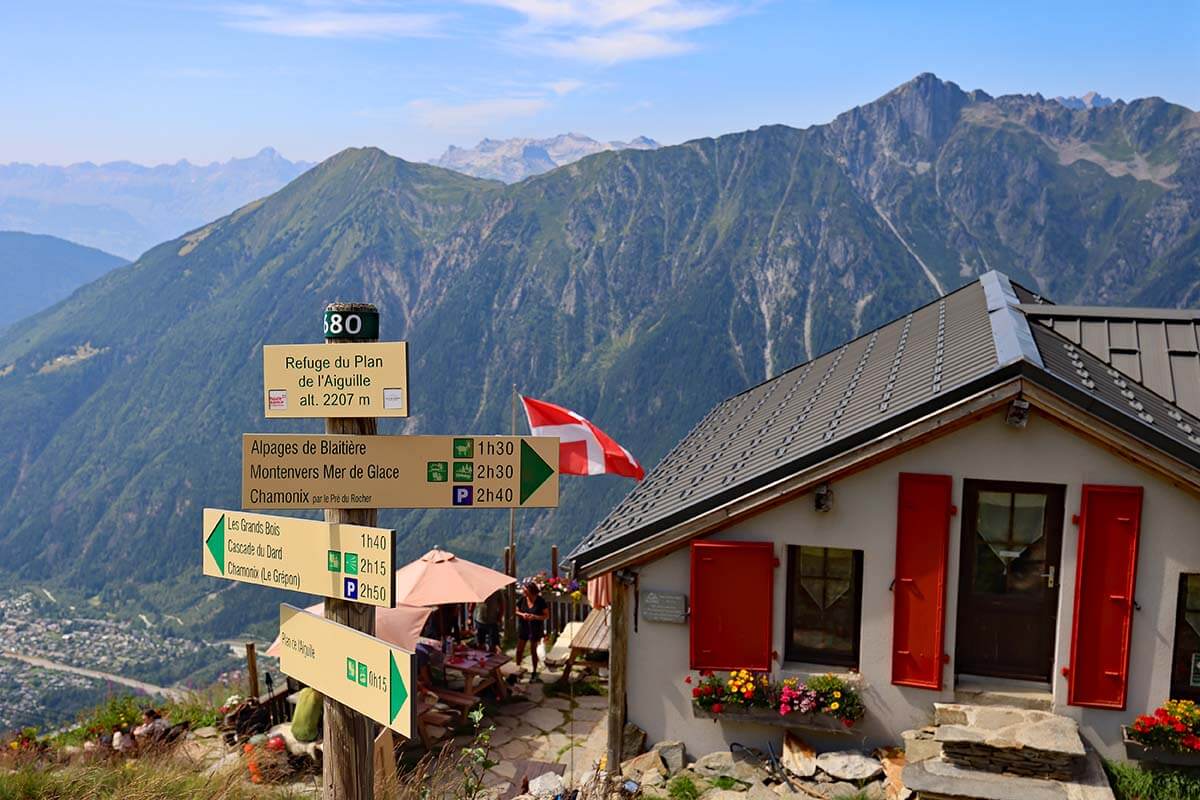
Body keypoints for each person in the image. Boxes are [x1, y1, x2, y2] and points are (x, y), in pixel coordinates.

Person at [515, 581, 549, 681]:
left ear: (530, 590)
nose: (523, 591)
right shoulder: (522, 599)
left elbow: (546, 615)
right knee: (519, 649)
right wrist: (523, 615)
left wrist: (534, 617)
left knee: (533, 651)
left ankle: (534, 671)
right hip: (524, 626)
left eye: (524, 589)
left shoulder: (540, 601)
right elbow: (516, 610)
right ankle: (518, 668)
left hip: (535, 628)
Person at [472, 590, 505, 654]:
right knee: (480, 643)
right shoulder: (478, 589)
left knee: (493, 645)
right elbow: (473, 602)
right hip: (480, 620)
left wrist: (500, 617)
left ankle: (493, 659)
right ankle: (481, 658)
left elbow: (502, 605)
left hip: (492, 620)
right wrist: (470, 615)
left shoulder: (497, 590)